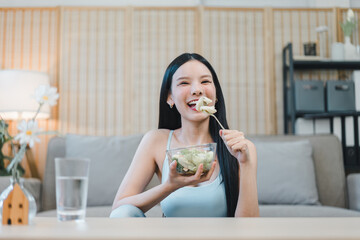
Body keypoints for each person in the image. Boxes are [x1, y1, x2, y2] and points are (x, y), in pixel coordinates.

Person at [111, 53, 259, 217]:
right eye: (184, 83)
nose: (197, 90)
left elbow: (249, 229)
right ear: (170, 97)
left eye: (205, 81)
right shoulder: (155, 142)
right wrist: (170, 186)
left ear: (215, 96)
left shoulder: (241, 149)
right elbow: (118, 207)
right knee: (123, 213)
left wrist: (245, 163)